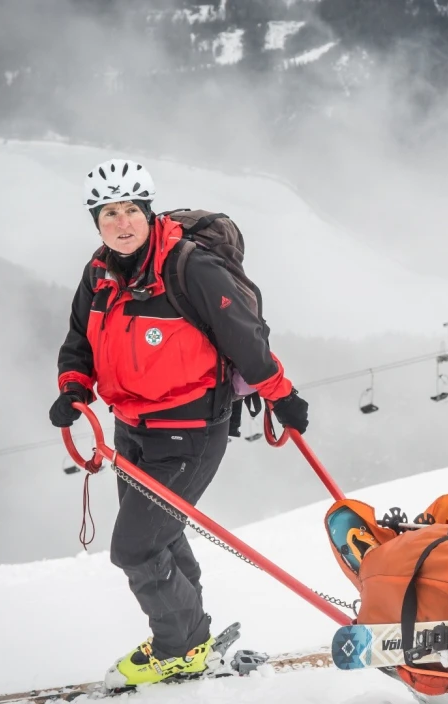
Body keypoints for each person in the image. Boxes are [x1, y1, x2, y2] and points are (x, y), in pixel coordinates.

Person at [49, 158, 311, 687]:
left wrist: (282, 396)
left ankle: (180, 646)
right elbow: (80, 337)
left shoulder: (190, 267)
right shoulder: (98, 272)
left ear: (148, 212)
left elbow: (246, 337)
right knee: (158, 537)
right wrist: (73, 386)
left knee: (135, 546)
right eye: (108, 214)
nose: (121, 224)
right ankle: (192, 637)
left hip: (190, 431)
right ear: (96, 222)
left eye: (130, 211)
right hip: (131, 427)